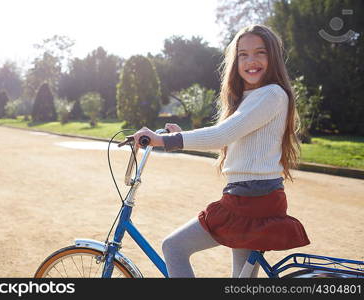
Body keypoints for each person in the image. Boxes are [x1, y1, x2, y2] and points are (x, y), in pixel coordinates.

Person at [130, 24, 310, 278]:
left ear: (273, 57)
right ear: (235, 61)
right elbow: (230, 138)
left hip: (250, 201)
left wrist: (162, 141)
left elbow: (222, 135)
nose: (251, 61)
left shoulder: (271, 94)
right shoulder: (254, 97)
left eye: (260, 52)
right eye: (243, 54)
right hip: (255, 197)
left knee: (174, 247)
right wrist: (178, 136)